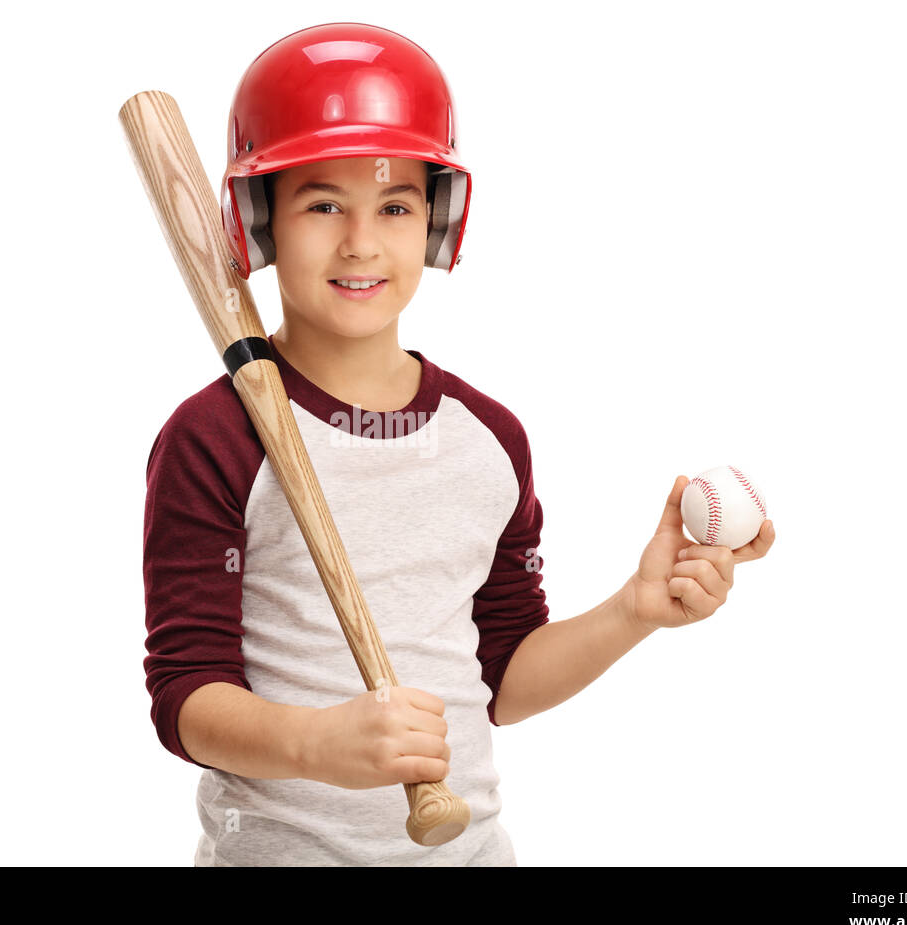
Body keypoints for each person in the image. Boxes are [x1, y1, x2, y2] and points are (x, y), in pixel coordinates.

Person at [140, 23, 775, 867]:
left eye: (395, 205)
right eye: (322, 203)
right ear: (261, 223)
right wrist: (315, 745)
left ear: (438, 221)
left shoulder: (489, 439)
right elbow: (185, 695)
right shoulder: (214, 438)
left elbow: (504, 680)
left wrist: (634, 611)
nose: (362, 241)